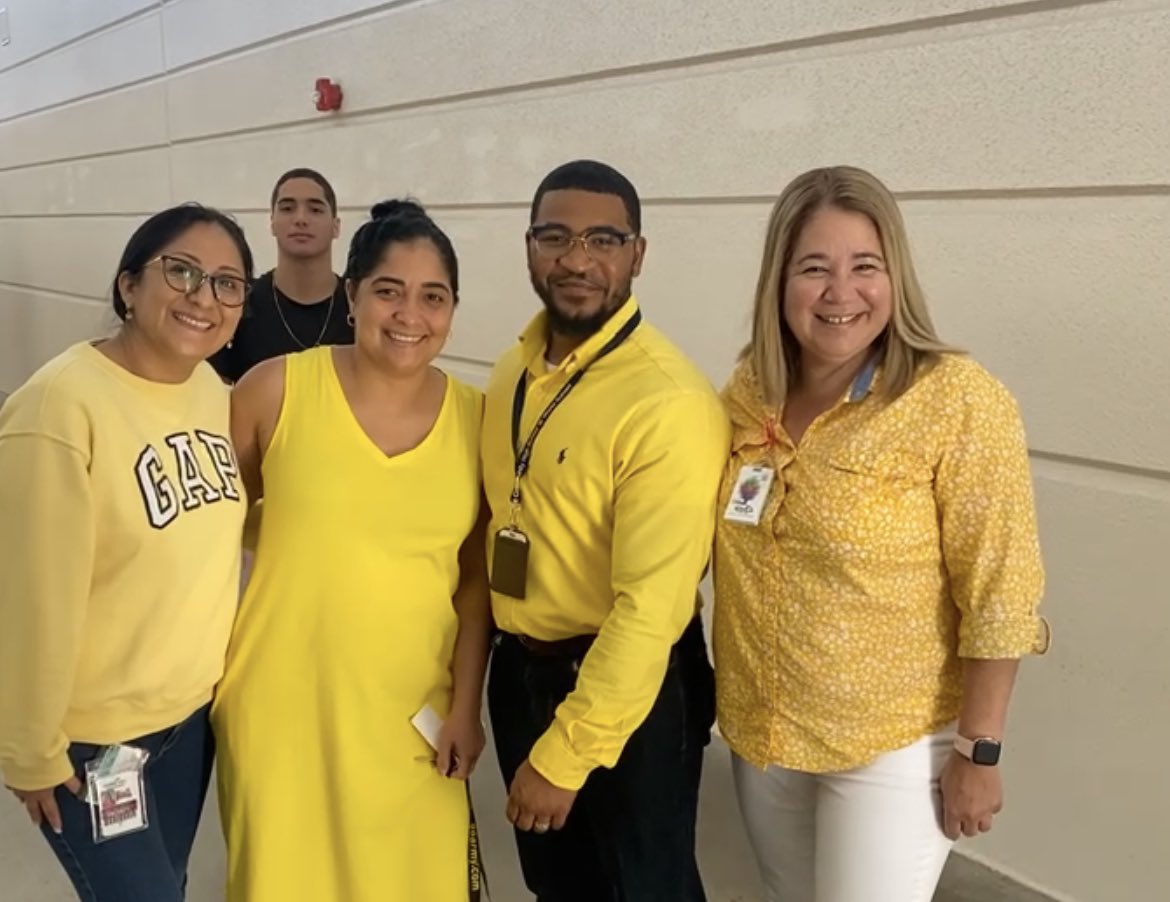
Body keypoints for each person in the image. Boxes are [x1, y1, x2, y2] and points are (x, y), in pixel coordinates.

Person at [713, 165, 1051, 902]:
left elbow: (1001, 590)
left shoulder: (956, 401)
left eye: (865, 266)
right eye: (814, 269)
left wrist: (979, 751)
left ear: (896, 278)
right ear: (779, 282)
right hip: (764, 733)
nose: (841, 293)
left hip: (890, 745)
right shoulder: (747, 396)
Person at [213, 199, 491, 902]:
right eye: (388, 291)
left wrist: (466, 704)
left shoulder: (477, 420)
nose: (409, 315)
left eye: (434, 297)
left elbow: (473, 582)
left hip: (411, 714)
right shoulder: (272, 390)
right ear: (351, 295)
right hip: (281, 708)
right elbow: (206, 534)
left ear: (453, 308)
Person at [482, 159, 729, 902]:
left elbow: (651, 610)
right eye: (554, 236)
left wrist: (568, 752)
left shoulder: (666, 400)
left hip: (631, 689)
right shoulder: (513, 371)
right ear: (528, 246)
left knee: (642, 889)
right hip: (520, 670)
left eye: (603, 239)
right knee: (560, 888)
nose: (577, 259)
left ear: (637, 254)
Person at [0, 203, 253, 900]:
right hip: (94, 741)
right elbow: (29, 599)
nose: (204, 297)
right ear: (128, 286)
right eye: (182, 271)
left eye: (228, 283)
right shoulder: (59, 409)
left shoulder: (209, 390)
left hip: (187, 722)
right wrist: (29, 749)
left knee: (165, 884)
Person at [210, 167, 352, 383]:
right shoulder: (239, 303)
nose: (301, 219)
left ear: (336, 226)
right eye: (287, 208)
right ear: (272, 223)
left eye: (315, 209)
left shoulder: (359, 307)